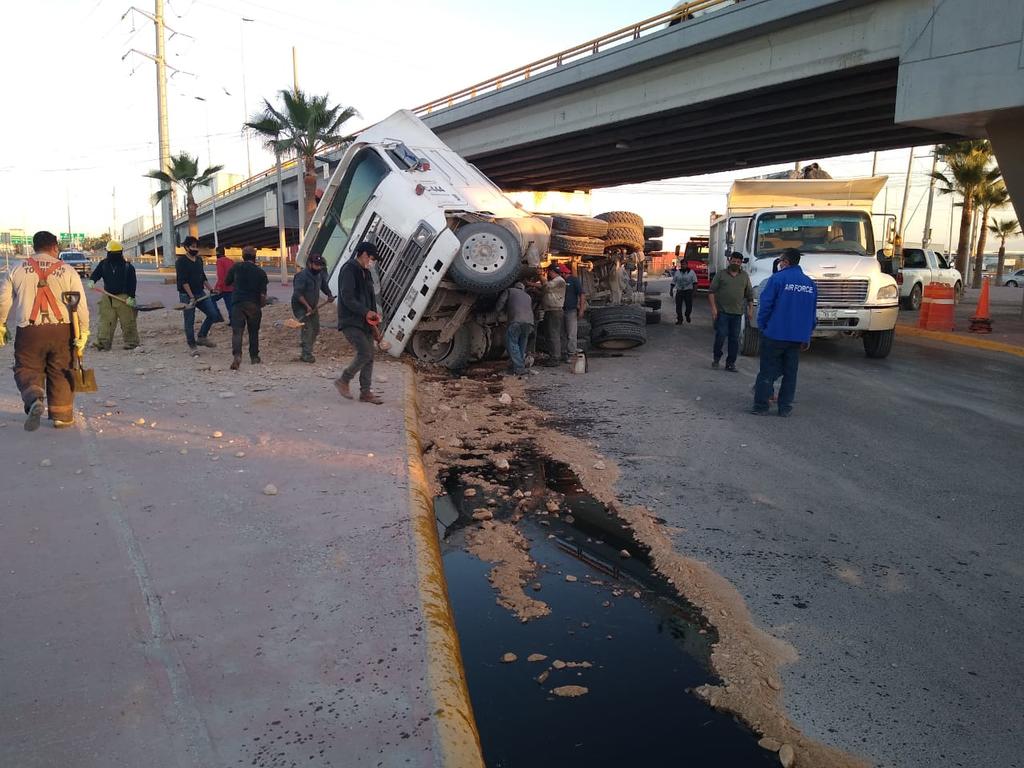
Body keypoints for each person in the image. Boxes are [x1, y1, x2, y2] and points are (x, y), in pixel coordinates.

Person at [0, 230, 90, 431]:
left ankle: (34, 399)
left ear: (34, 247)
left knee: (27, 368)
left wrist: (1, 323)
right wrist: (84, 331)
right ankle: (62, 416)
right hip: (62, 330)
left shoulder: (17, 269)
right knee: (61, 370)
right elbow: (80, 305)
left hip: (29, 331)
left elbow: (3, 300)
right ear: (55, 247)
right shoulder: (67, 270)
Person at [752, 248, 817, 416]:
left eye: (780, 260)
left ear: (786, 262)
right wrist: (807, 335)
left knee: (766, 370)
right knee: (790, 373)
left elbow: (766, 306)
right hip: (797, 337)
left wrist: (762, 325)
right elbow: (812, 312)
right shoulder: (809, 283)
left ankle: (761, 406)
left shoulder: (777, 279)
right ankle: (784, 408)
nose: (779, 263)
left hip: (775, 333)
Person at [335, 242, 384, 404]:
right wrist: (366, 312)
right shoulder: (350, 269)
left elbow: (370, 303)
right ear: (363, 254)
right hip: (350, 320)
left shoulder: (366, 272)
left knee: (370, 355)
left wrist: (375, 327)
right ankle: (344, 380)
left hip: (365, 322)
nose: (373, 262)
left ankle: (365, 393)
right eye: (372, 258)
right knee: (364, 352)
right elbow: (347, 297)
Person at [89, 239, 140, 349]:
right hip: (107, 297)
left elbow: (132, 283)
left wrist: (131, 297)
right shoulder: (103, 264)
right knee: (106, 321)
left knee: (128, 322)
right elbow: (96, 274)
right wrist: (92, 280)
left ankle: (131, 343)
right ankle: (103, 343)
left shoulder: (128, 267)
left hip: (124, 298)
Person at [175, 235, 222, 353]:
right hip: (187, 296)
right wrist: (191, 297)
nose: (195, 249)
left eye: (197, 247)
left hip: (200, 293)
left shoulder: (199, 260)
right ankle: (192, 346)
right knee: (189, 320)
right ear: (186, 247)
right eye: (193, 247)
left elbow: (203, 277)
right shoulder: (181, 262)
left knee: (213, 314)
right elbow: (183, 281)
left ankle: (202, 337)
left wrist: (211, 289)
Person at [225, 245, 269, 370]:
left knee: (237, 332)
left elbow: (226, 282)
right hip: (253, 304)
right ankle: (254, 357)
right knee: (253, 332)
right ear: (255, 257)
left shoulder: (236, 267)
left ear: (243, 256)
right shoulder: (261, 272)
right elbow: (263, 294)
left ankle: (237, 356)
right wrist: (262, 304)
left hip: (238, 303)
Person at [708, 251, 753, 371]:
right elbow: (711, 292)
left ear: (741, 263)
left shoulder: (744, 276)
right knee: (721, 336)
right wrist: (714, 309)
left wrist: (750, 310)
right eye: (734, 261)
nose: (736, 263)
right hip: (722, 312)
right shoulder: (721, 275)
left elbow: (749, 295)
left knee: (734, 339)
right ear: (729, 261)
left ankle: (730, 363)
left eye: (738, 262)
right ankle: (716, 359)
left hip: (737, 314)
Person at [291, 252, 335, 363]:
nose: (319, 267)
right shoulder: (301, 276)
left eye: (320, 265)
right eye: (316, 265)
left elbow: (324, 286)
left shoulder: (319, 275)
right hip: (300, 306)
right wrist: (306, 306)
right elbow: (298, 294)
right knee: (307, 328)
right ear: (310, 264)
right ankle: (306, 354)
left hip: (313, 306)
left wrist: (329, 295)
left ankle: (305, 344)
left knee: (315, 329)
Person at [496, 281, 534, 376]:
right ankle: (517, 365)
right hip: (529, 323)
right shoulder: (527, 296)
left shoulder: (509, 290)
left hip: (516, 321)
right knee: (522, 344)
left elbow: (501, 302)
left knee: (512, 343)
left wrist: (497, 312)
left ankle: (518, 368)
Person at [540, 264, 566, 365]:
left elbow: (546, 286)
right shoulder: (556, 281)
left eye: (549, 272)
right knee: (552, 334)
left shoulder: (559, 281)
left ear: (551, 272)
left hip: (554, 311)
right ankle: (556, 355)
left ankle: (555, 358)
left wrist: (540, 275)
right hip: (551, 310)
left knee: (553, 334)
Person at [213, 245, 234, 321]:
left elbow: (221, 276)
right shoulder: (231, 261)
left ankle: (218, 317)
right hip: (231, 287)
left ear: (217, 252)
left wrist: (218, 288)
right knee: (230, 306)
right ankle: (233, 321)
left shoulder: (219, 261)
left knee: (211, 300)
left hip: (223, 288)